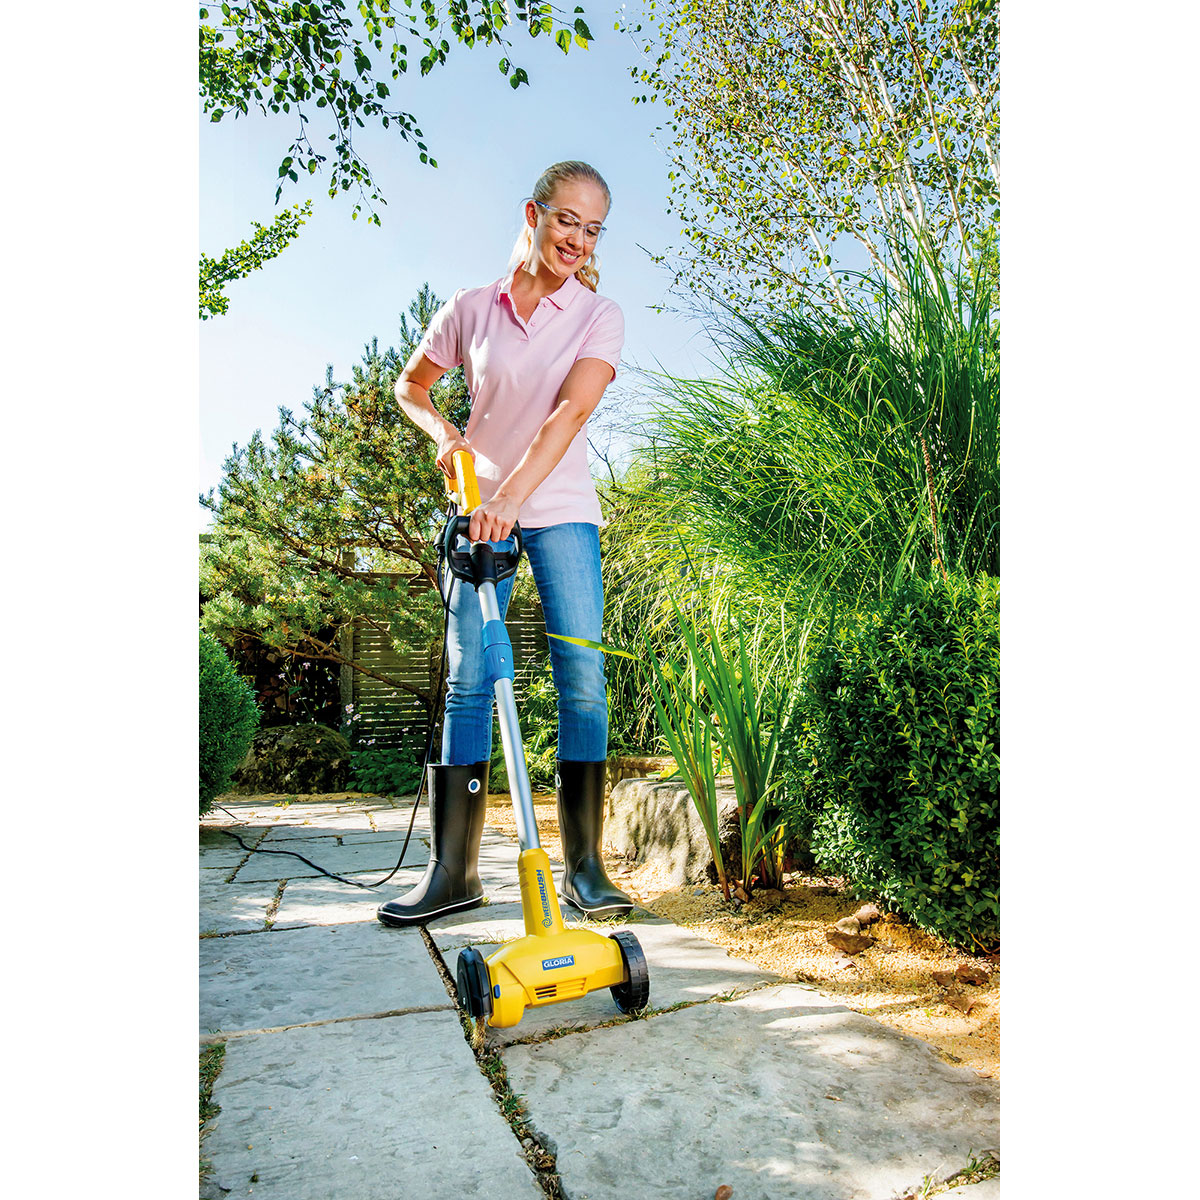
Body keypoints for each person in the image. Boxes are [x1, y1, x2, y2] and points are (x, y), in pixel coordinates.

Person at [377, 161, 633, 927]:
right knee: (468, 680)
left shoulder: (598, 314)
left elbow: (569, 414)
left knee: (582, 673)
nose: (577, 241)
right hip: (478, 509)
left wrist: (514, 500)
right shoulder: (469, 308)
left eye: (592, 230)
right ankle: (453, 872)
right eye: (567, 221)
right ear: (533, 213)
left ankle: (586, 867)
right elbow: (410, 386)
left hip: (555, 508)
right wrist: (445, 436)